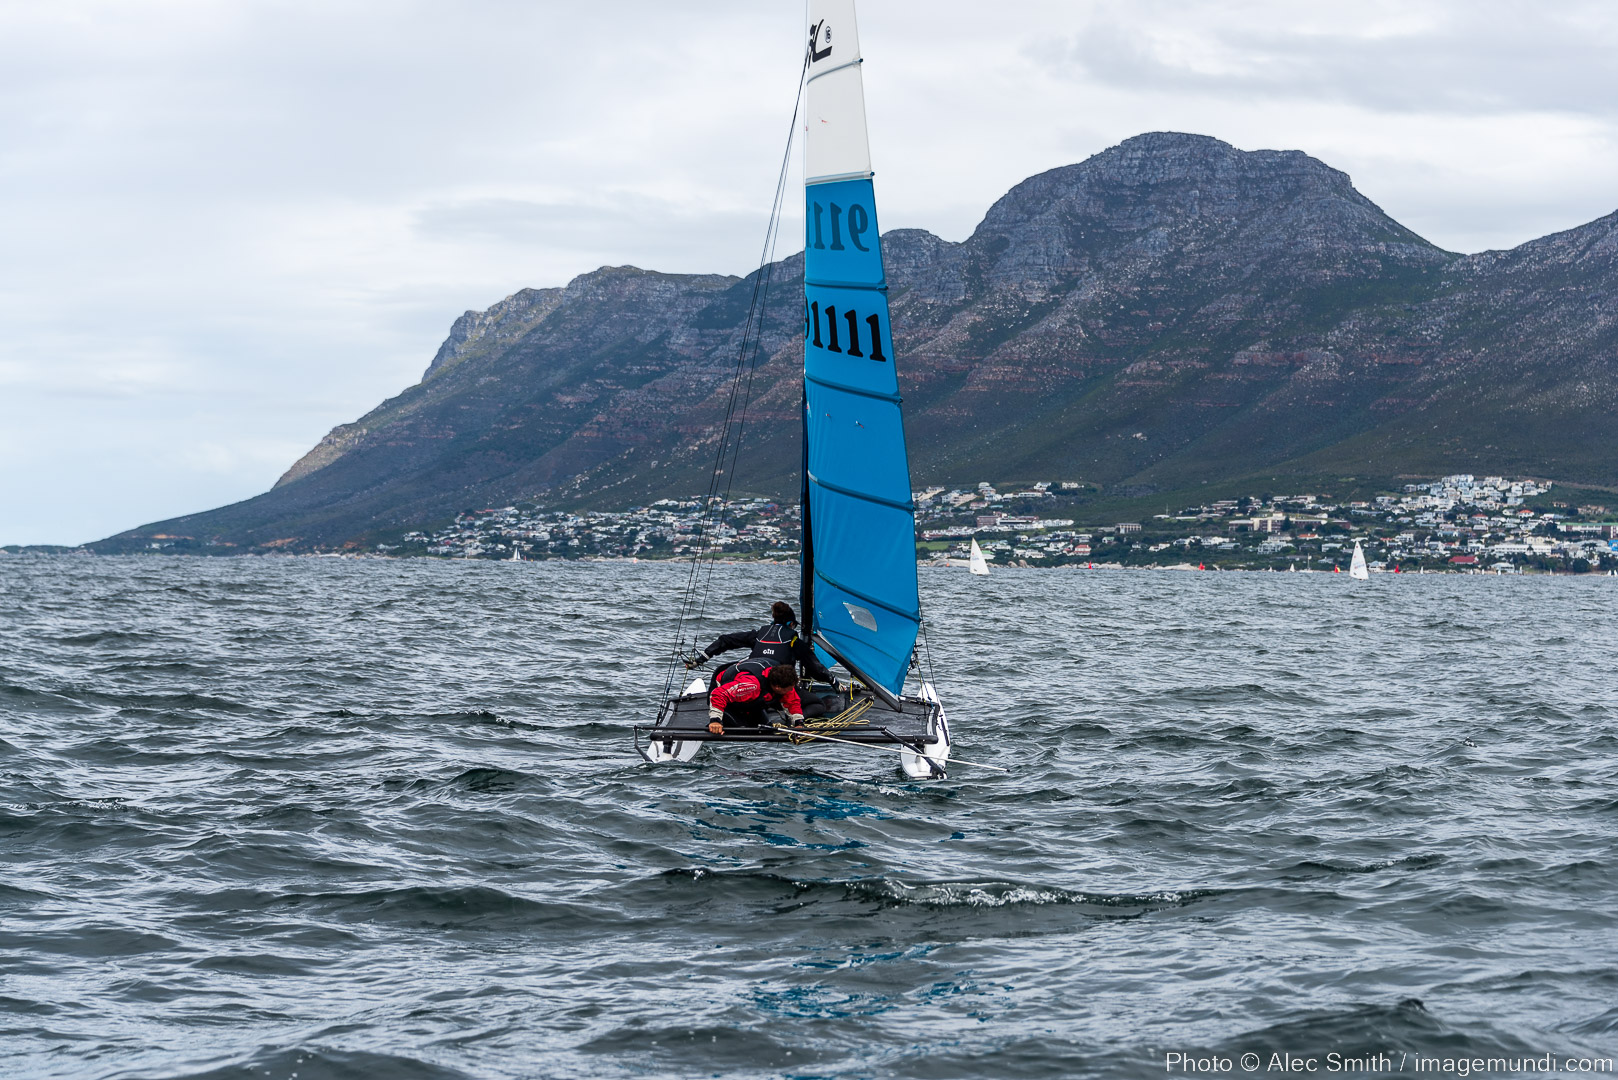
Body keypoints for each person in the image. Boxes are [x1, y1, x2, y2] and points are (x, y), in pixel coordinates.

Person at [688, 601, 834, 684]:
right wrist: (833, 681)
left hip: (748, 677)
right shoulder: (794, 641)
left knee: (720, 671)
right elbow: (815, 668)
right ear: (791, 624)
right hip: (777, 685)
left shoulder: (758, 634)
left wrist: (702, 658)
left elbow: (726, 640)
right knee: (815, 704)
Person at [708, 661, 803, 734]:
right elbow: (719, 694)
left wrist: (799, 724)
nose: (791, 690)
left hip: (751, 700)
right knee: (740, 730)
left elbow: (792, 702)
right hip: (725, 694)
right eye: (789, 689)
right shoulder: (751, 685)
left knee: (767, 730)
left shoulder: (783, 680)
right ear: (777, 687)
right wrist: (715, 721)